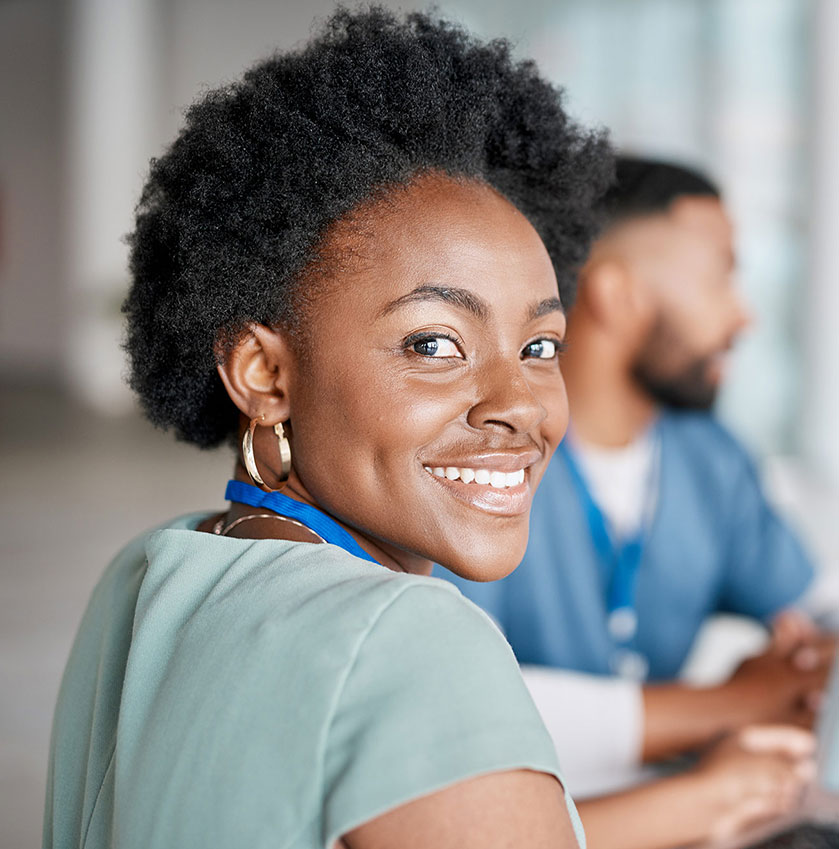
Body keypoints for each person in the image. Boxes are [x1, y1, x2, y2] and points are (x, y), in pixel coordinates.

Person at [42, 9, 621, 849]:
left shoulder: (155, 573)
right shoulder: (409, 639)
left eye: (538, 345)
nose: (519, 404)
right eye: (433, 343)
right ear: (264, 373)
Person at [437, 157, 832, 847]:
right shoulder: (481, 461)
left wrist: (805, 662)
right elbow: (453, 707)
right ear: (617, 295)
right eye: (721, 274)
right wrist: (721, 706)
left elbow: (810, 607)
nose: (742, 314)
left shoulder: (710, 458)